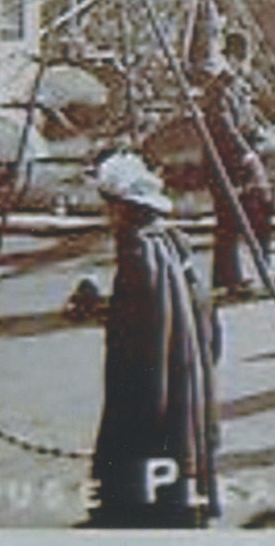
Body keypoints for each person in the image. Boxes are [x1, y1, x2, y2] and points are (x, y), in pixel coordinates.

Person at [88, 152, 221, 528]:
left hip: (151, 371)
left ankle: (136, 509)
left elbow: (137, 323)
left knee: (142, 430)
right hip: (183, 360)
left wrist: (101, 310)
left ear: (121, 208)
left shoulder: (136, 250)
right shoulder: (171, 239)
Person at [194, 29, 275, 298]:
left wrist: (258, 134)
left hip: (238, 162)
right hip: (226, 164)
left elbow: (246, 120)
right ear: (233, 58)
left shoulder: (238, 86)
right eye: (242, 58)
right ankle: (230, 278)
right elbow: (223, 127)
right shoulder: (219, 89)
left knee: (239, 219)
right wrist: (246, 153)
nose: (244, 64)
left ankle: (230, 276)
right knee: (232, 220)